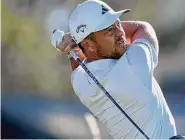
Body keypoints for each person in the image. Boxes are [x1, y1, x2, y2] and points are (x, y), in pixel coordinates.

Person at [55, 0, 177, 139]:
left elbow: (79, 58)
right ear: (89, 45)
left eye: (118, 23)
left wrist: (78, 40)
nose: (120, 32)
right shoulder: (134, 63)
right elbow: (142, 28)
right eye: (109, 30)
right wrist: (74, 39)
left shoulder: (81, 83)